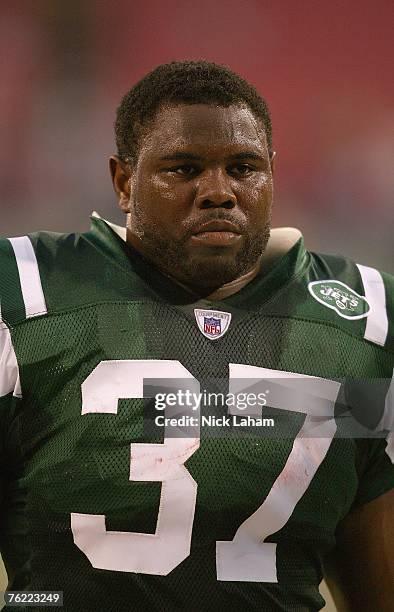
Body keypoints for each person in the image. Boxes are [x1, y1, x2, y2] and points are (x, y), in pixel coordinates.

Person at [0, 60, 392, 612]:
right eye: (182, 169)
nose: (219, 192)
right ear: (123, 182)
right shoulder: (25, 293)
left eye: (243, 167)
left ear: (272, 175)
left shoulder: (364, 322)